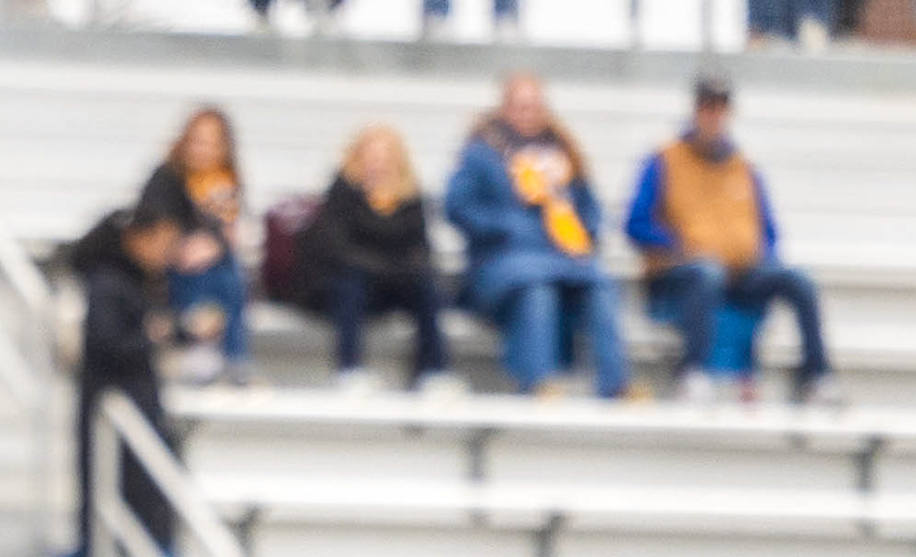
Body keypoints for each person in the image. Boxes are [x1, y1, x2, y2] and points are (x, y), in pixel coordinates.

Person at [624, 79, 834, 408]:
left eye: (720, 109)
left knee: (798, 280)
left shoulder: (744, 167)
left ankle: (817, 377)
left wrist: (760, 256)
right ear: (696, 110)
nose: (713, 116)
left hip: (740, 272)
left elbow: (768, 231)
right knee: (707, 273)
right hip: (682, 270)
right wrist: (677, 247)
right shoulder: (665, 160)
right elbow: (636, 223)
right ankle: (694, 372)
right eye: (707, 108)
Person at [447, 76, 630, 402]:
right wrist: (505, 227)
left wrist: (583, 232)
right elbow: (458, 206)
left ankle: (615, 384)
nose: (529, 114)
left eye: (535, 106)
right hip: (503, 264)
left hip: (562, 259)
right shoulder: (482, 155)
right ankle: (538, 382)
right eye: (521, 106)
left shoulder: (565, 155)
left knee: (600, 286)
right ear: (504, 109)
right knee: (536, 289)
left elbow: (590, 211)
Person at [57, 201, 185, 557]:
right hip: (115, 406)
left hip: (131, 404)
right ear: (138, 238)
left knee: (146, 494)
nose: (167, 253)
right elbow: (107, 343)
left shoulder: (139, 280)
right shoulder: (109, 283)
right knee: (124, 491)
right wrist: (152, 338)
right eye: (162, 242)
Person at [304, 126, 446, 391]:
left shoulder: (410, 198)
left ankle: (433, 372)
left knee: (426, 289)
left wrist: (398, 270)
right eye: (372, 156)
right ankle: (349, 369)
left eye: (385, 156)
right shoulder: (342, 192)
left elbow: (420, 249)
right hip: (354, 283)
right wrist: (386, 266)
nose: (378, 163)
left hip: (394, 285)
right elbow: (337, 249)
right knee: (350, 286)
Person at [137, 108, 251, 386]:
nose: (203, 150)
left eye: (212, 143)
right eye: (198, 141)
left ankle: (232, 356)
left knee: (227, 271)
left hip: (210, 266)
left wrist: (214, 244)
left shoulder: (224, 181)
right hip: (168, 265)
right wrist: (184, 247)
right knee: (208, 270)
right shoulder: (166, 177)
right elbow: (152, 229)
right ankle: (202, 342)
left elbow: (229, 232)